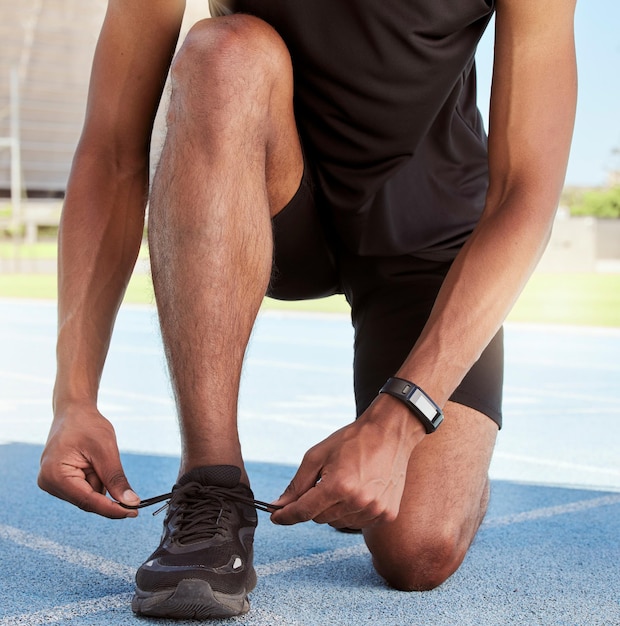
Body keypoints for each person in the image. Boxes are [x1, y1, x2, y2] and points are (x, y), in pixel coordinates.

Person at [37, 0, 577, 620]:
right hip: (273, 198)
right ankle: (211, 486)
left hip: (426, 242)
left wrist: (398, 421)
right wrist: (72, 396)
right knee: (224, 52)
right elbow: (111, 150)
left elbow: (526, 188)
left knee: (418, 551)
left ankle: (450, 472)